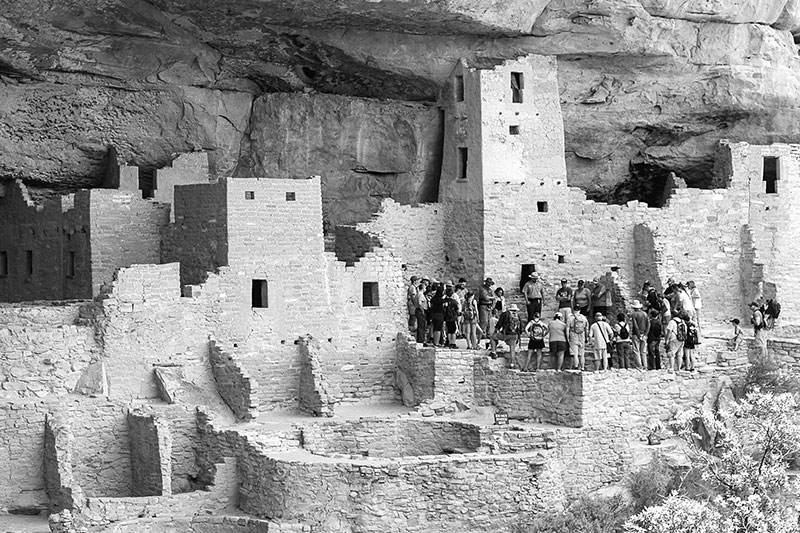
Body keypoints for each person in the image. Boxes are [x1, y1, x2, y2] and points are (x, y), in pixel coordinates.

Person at [630, 300, 649, 369]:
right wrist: (645, 334)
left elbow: (635, 326)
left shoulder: (634, 314)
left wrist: (638, 334)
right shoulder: (645, 314)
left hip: (636, 334)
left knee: (636, 350)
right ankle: (645, 365)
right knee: (643, 351)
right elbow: (648, 324)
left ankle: (639, 365)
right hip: (644, 333)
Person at [414, 278, 430, 344]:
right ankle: (421, 340)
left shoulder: (418, 294)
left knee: (421, 325)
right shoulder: (420, 294)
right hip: (420, 311)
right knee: (421, 326)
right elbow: (420, 303)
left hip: (419, 310)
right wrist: (422, 310)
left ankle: (421, 339)